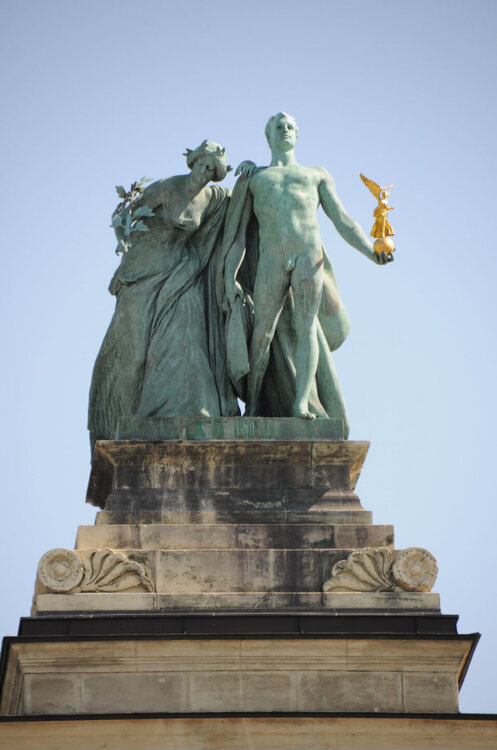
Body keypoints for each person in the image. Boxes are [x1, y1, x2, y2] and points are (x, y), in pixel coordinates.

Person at [218, 113, 393, 434]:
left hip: (308, 258)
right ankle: (253, 402)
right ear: (268, 137)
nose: (284, 130)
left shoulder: (316, 175)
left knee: (306, 327)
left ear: (297, 135)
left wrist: (371, 252)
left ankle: (301, 403)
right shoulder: (256, 178)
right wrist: (230, 276)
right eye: (278, 126)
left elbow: (342, 220)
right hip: (272, 259)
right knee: (262, 332)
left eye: (290, 126)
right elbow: (239, 235)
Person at [88, 141, 237, 451]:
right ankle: (124, 418)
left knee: (189, 334)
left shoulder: (212, 199)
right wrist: (122, 240)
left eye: (212, 169)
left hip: (179, 271)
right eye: (203, 163)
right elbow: (124, 218)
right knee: (134, 355)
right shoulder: (166, 187)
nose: (205, 171)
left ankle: (190, 409)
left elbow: (239, 205)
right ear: (194, 161)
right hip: (143, 270)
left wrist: (253, 176)